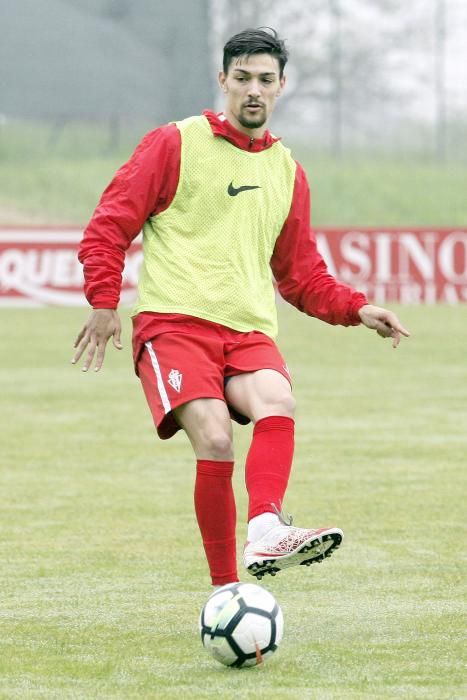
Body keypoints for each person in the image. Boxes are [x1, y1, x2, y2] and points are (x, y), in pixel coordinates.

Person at [72, 27, 410, 588]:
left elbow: (300, 274)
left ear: (281, 87)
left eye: (266, 80)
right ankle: (226, 590)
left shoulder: (286, 171)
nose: (254, 90)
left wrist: (357, 309)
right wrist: (104, 302)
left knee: (279, 400)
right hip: (175, 323)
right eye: (244, 78)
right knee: (217, 439)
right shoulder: (175, 143)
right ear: (223, 80)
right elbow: (109, 225)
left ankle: (265, 528)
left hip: (247, 328)